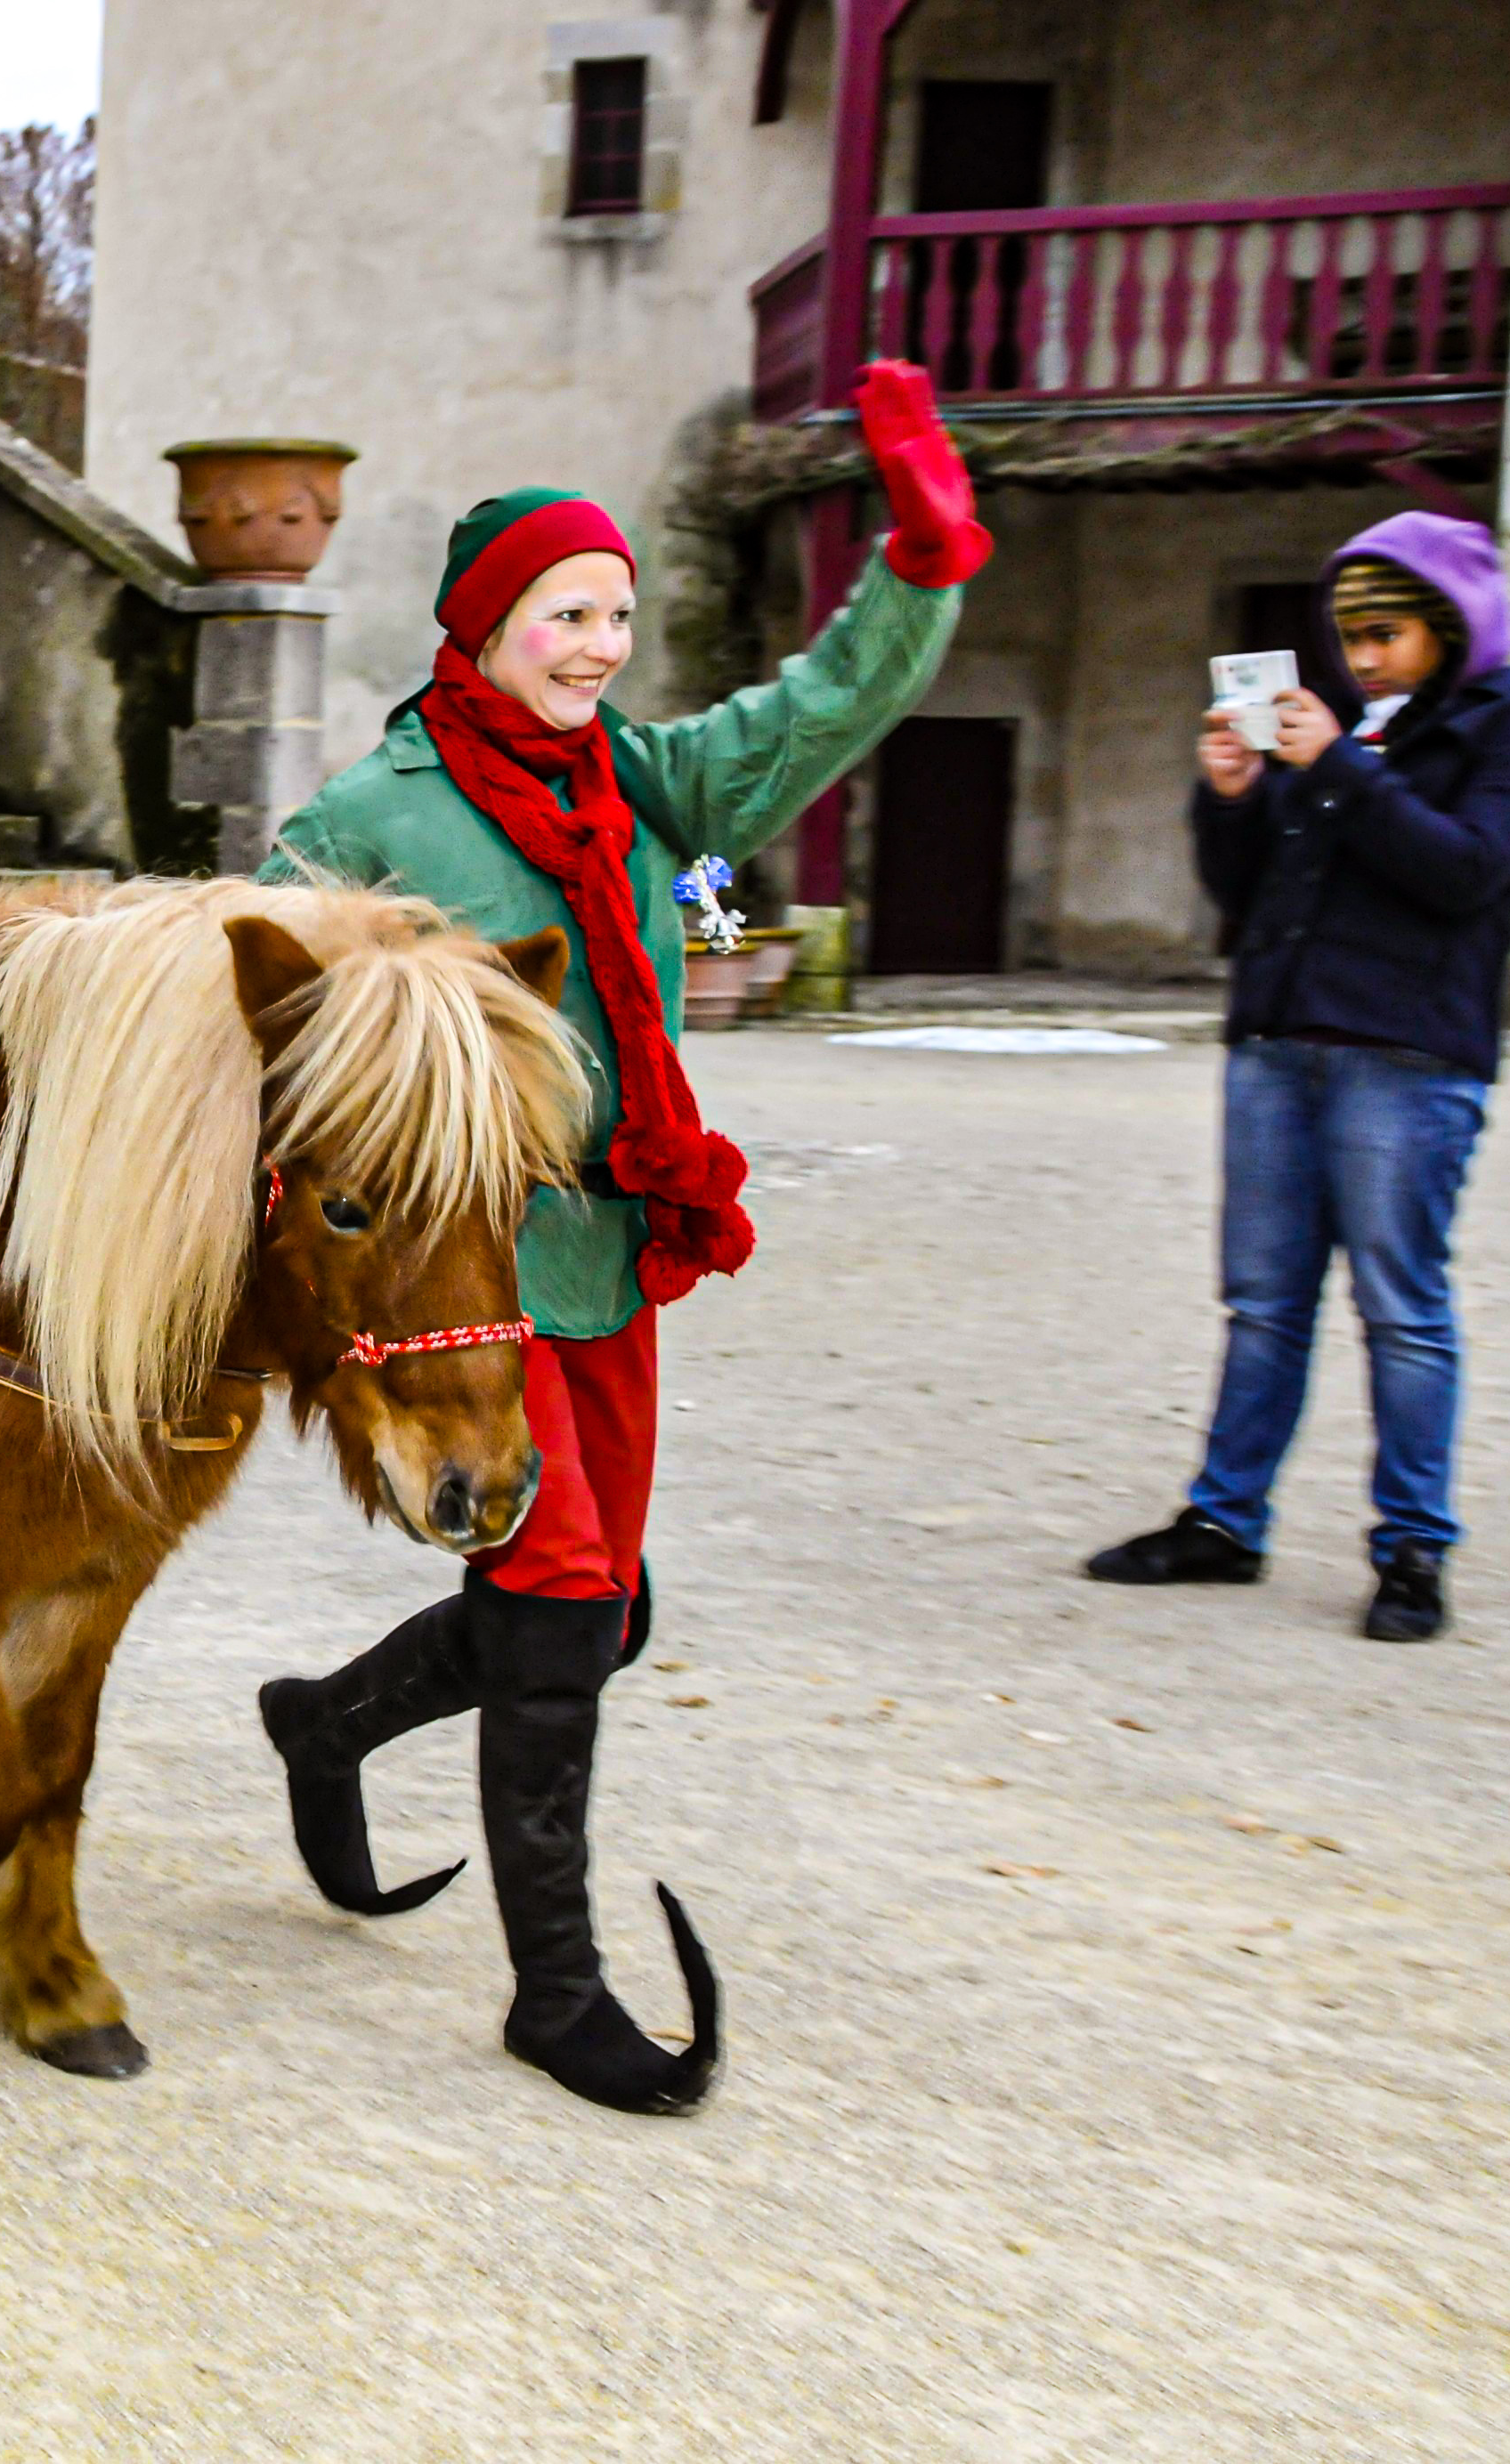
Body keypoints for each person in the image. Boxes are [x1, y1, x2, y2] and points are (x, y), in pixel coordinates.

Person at [252, 359, 991, 2114]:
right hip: (466, 1277)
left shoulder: (643, 785)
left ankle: (326, 1720)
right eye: (560, 614)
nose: (592, 646)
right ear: (483, 625)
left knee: (599, 1605)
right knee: (563, 1594)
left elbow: (817, 710)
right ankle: (554, 1991)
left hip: (612, 1261)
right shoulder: (375, 812)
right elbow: (270, 1001)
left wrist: (920, 557)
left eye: (610, 615)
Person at [1086, 516, 1510, 1641]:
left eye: (1385, 633)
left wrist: (1337, 765)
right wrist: (1234, 793)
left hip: (1406, 1055)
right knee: (1260, 1308)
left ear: (1454, 625)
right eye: (1348, 636)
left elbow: (1465, 872)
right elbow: (1242, 893)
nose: (1362, 658)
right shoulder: (1344, 739)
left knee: (1401, 1311)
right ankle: (1223, 1522)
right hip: (1275, 1044)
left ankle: (1411, 1551)